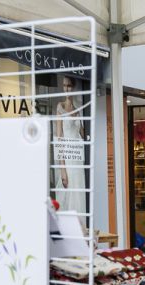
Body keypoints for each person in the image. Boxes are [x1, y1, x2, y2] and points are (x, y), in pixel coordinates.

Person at [55, 74, 86, 212]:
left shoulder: (78, 109)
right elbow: (59, 139)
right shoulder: (60, 108)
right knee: (68, 198)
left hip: (77, 161)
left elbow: (83, 135)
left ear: (74, 88)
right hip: (67, 160)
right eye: (64, 86)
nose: (66, 89)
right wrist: (63, 169)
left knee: (78, 196)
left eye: (69, 86)